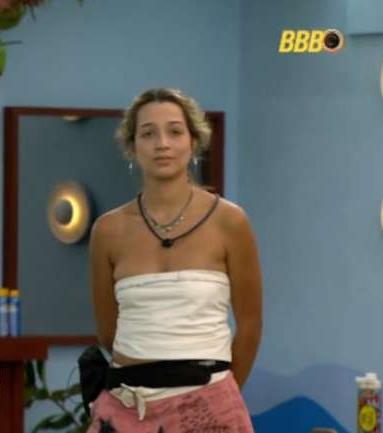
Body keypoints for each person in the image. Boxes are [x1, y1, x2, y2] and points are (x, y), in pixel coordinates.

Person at [85, 88, 262, 432]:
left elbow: (251, 326)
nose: (162, 144)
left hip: (210, 402)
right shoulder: (108, 230)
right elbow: (108, 330)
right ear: (132, 146)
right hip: (126, 406)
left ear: (194, 142)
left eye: (175, 131)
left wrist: (218, 398)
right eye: (148, 133)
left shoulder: (230, 222)